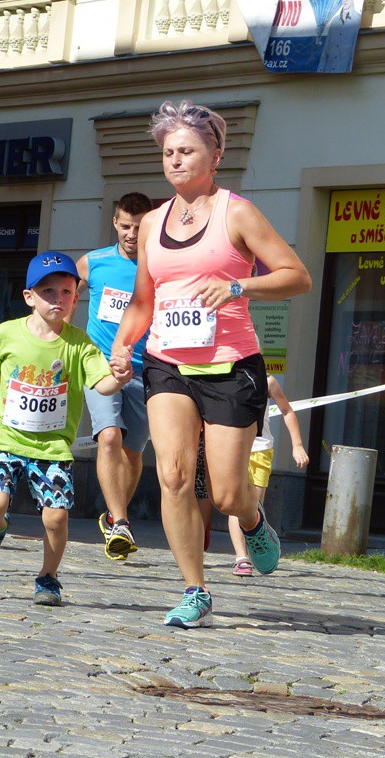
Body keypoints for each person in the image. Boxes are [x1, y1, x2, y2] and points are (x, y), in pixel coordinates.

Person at [109, 99, 311, 628]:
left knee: (224, 493)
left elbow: (297, 276)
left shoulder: (236, 212)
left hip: (231, 365)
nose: (175, 160)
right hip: (167, 363)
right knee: (174, 476)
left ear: (215, 156)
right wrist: (123, 345)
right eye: (168, 152)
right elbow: (144, 301)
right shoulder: (151, 223)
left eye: (186, 151)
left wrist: (239, 286)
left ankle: (253, 520)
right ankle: (194, 589)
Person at [0, 251, 132, 607]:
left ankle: (48, 577)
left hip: (52, 445)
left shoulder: (80, 344)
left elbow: (101, 383)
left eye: (67, 292)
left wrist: (119, 379)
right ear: (29, 297)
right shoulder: (6, 333)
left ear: (76, 298)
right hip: (5, 437)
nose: (58, 299)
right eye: (48, 292)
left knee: (56, 517)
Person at [76, 193, 155, 561]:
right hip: (101, 365)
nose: (131, 234)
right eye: (125, 226)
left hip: (145, 369)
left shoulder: (158, 266)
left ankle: (112, 515)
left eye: (138, 227)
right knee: (109, 436)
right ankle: (121, 523)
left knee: (133, 453)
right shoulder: (93, 263)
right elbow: (62, 298)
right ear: (115, 223)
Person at [229, 374, 309, 575]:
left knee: (252, 506)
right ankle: (241, 558)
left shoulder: (268, 382)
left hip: (260, 450)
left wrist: (297, 445)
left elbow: (287, 411)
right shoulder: (225, 378)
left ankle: (259, 537)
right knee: (234, 502)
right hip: (233, 448)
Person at [317, 0, 361, 73]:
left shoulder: (357, 20)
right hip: (328, 76)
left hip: (345, 78)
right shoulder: (335, 22)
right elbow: (325, 52)